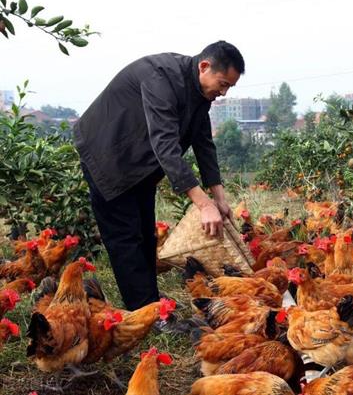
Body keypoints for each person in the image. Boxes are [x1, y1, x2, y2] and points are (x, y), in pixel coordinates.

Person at [73, 41, 244, 310]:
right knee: (126, 236)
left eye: (228, 88)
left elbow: (203, 143)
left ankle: (151, 302)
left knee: (145, 232)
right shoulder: (161, 77)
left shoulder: (200, 93)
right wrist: (203, 204)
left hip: (141, 159)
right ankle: (146, 310)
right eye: (222, 84)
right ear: (204, 66)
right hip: (108, 154)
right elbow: (165, 145)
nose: (222, 92)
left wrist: (219, 197)